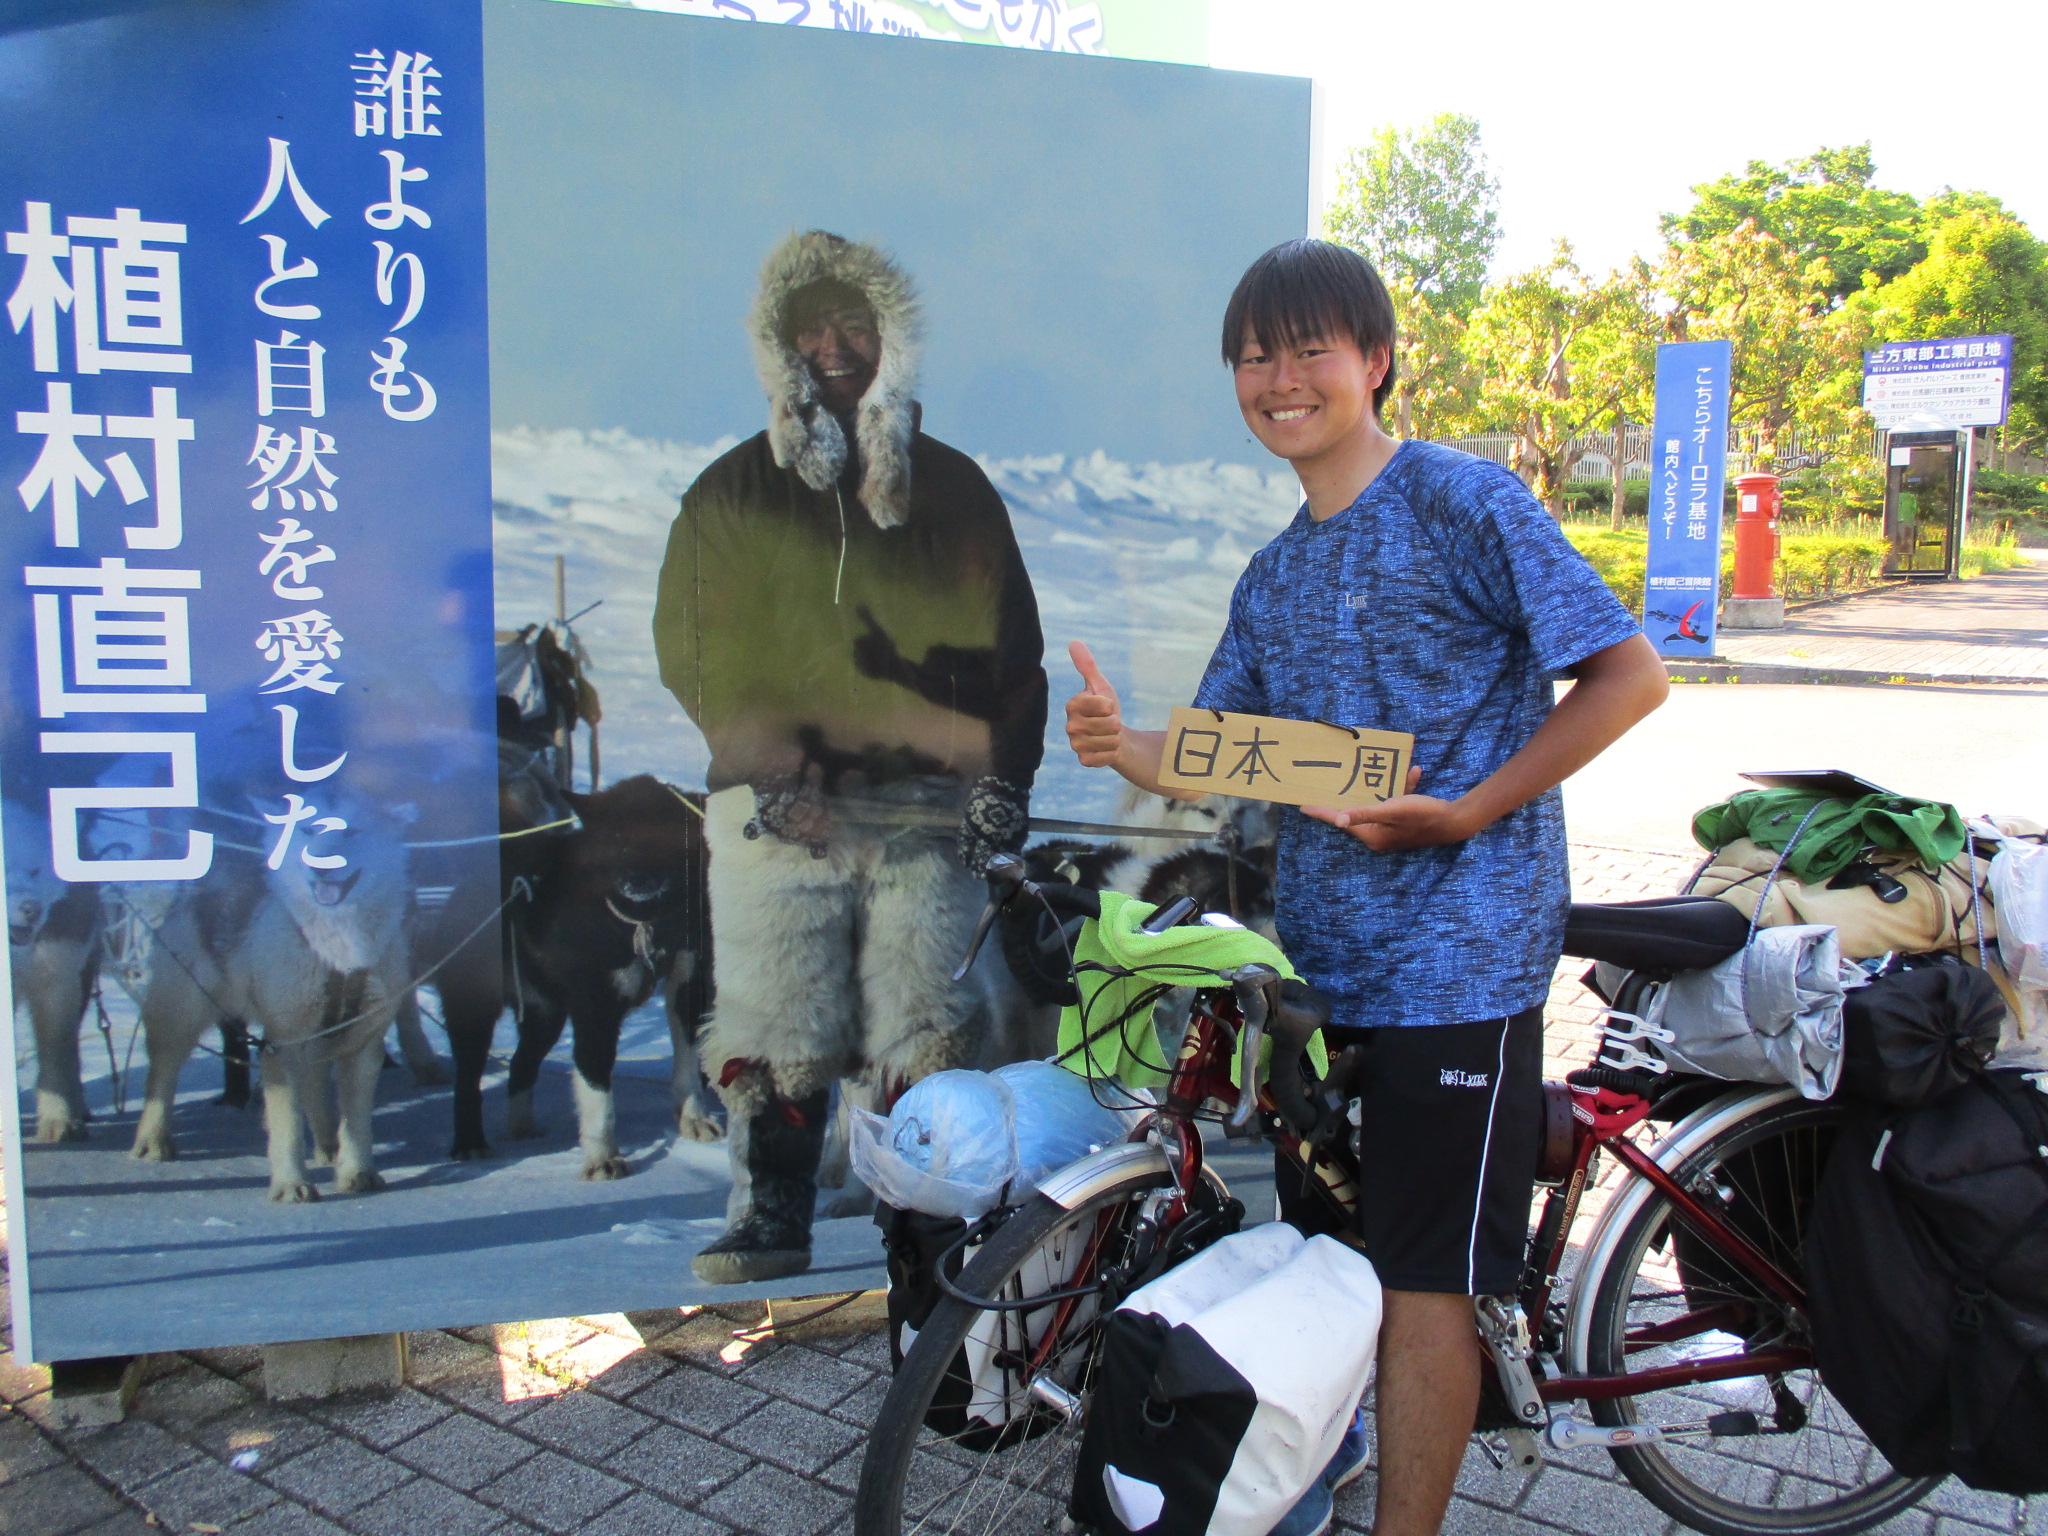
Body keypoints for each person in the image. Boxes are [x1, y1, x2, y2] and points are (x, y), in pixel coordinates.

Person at [1064, 238, 1667, 1536]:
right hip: (1326, 985)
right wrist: (1126, 748)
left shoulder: (1466, 503)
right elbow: (1228, 752)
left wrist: (1468, 810)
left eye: (1306, 348)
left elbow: (1628, 676)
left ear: (1376, 361)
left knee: (1424, 1289)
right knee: (1342, 1269)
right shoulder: (1277, 573)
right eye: (1253, 356)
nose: (1278, 378)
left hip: (1461, 970)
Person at [654, 230, 1047, 1285]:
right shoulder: (729, 495)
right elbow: (695, 648)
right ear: (780, 348)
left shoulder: (956, 491)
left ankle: (922, 1222)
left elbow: (1012, 657)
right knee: (777, 1020)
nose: (832, 345)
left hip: (926, 814)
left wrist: (1001, 786)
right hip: (776, 813)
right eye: (808, 329)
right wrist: (771, 773)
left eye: (853, 322)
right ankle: (769, 1213)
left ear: (892, 338)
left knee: (924, 1027)